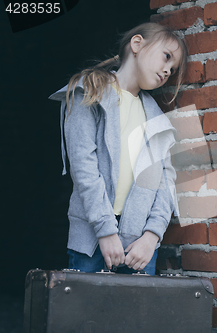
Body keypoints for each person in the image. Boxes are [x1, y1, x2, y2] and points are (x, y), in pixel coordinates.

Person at [49, 22, 187, 275]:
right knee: (85, 314)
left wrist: (151, 237)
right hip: (93, 241)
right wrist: (106, 231)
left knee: (136, 316)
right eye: (166, 57)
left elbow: (165, 183)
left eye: (173, 68)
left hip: (140, 250)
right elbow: (84, 168)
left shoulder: (157, 119)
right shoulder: (88, 91)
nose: (168, 70)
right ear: (137, 44)